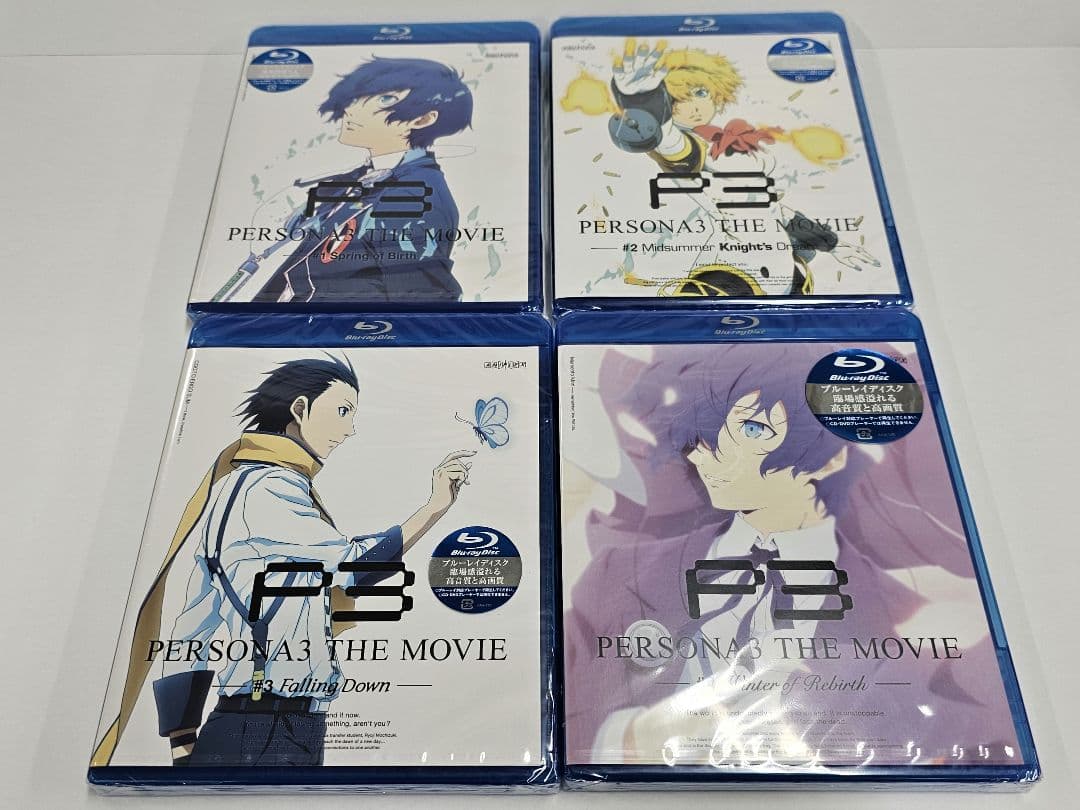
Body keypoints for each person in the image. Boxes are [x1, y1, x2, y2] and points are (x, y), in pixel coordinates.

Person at [563, 343, 1021, 767]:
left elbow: (978, 740)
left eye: (753, 430)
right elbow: (548, 717)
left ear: (831, 456)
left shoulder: (918, 627)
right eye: (709, 429)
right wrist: (631, 739)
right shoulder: (614, 577)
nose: (713, 453)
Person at [91, 355, 473, 767]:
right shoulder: (270, 487)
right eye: (343, 411)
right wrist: (434, 507)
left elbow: (192, 625)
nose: (350, 429)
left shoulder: (241, 486)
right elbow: (355, 568)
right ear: (300, 409)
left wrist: (183, 743)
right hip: (271, 729)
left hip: (251, 724)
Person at [607, 40, 877, 296]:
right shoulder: (693, 146)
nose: (694, 107)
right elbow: (676, 149)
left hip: (784, 273)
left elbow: (775, 211)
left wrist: (831, 243)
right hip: (731, 275)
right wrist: (644, 101)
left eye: (700, 93)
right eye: (677, 100)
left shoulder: (730, 142)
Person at [247, 57, 473, 303]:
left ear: (423, 119)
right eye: (359, 96)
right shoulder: (358, 179)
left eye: (385, 100)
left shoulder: (415, 196)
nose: (352, 109)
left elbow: (422, 301)